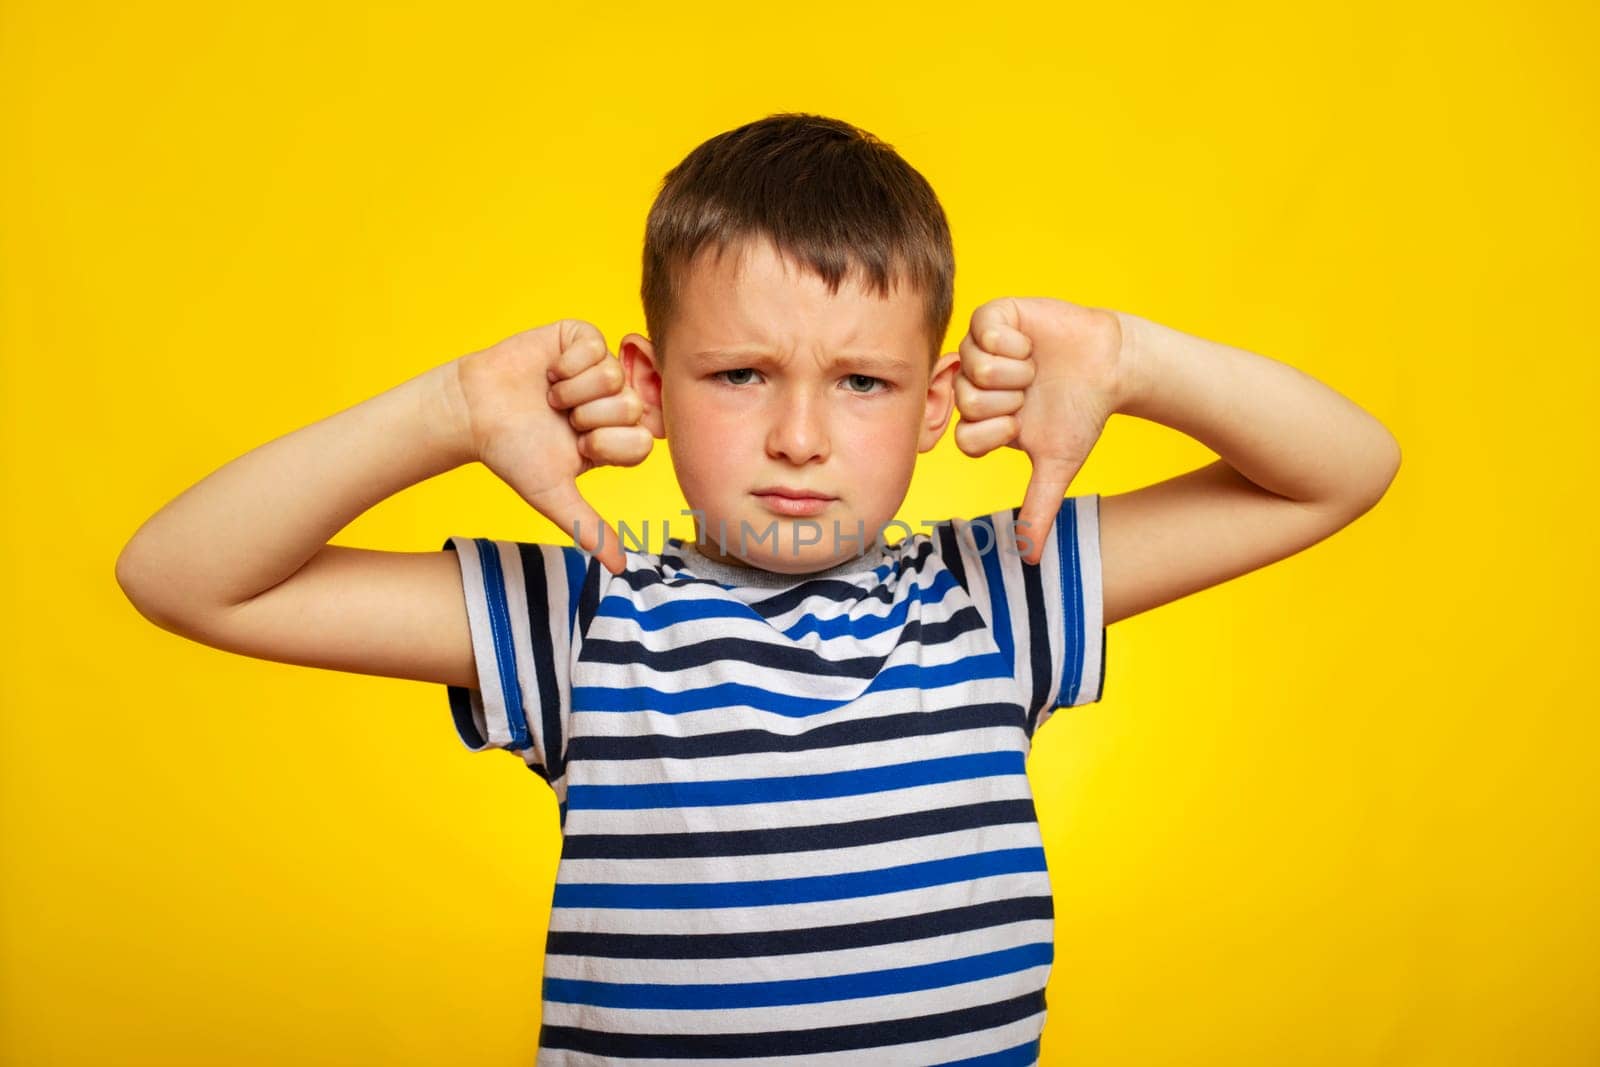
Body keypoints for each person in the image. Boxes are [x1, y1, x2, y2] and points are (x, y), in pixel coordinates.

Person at [115, 112, 1401, 1065]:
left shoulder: (997, 592)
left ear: (936, 399)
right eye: (739, 375)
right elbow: (180, 576)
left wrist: (1132, 361)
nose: (799, 437)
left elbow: (1341, 470)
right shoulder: (585, 620)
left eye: (861, 381)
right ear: (651, 385)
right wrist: (445, 412)